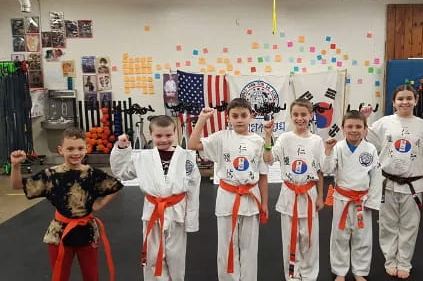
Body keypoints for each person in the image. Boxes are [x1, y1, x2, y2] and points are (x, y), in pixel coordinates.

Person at [10, 127, 123, 281]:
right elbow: (17, 185)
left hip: (87, 232)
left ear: (86, 149)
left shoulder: (92, 174)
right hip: (59, 233)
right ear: (60, 150)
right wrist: (16, 166)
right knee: (60, 276)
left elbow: (115, 186)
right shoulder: (51, 175)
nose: (75, 153)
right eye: (70, 149)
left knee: (92, 276)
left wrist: (99, 204)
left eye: (80, 148)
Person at [110, 115, 200, 281]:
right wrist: (121, 149)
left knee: (176, 257)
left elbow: (194, 188)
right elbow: (121, 172)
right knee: (152, 257)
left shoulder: (186, 157)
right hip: (152, 212)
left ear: (175, 134)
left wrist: (191, 220)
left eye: (168, 135)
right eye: (159, 136)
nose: (164, 139)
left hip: (177, 214)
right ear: (151, 135)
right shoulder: (143, 158)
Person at [188, 98, 268, 281]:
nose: (239, 119)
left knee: (249, 246)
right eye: (235, 116)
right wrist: (201, 120)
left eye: (243, 115)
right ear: (228, 118)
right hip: (227, 196)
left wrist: (264, 202)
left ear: (251, 117)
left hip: (250, 196)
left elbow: (263, 175)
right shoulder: (221, 137)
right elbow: (192, 145)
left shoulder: (258, 141)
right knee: (226, 245)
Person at [365, 84, 423, 279]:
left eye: (409, 98)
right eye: (400, 98)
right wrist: (365, 119)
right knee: (387, 224)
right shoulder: (384, 123)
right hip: (387, 181)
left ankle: (404, 261)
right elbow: (365, 139)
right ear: (393, 102)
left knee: (410, 224)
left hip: (413, 182)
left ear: (416, 100)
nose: (404, 102)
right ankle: (390, 260)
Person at [263, 98, 325, 281]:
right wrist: (268, 136)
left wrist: (321, 196)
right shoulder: (284, 138)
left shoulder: (316, 141)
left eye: (303, 114)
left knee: (309, 237)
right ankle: (292, 274)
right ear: (291, 116)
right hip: (289, 192)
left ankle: (309, 275)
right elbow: (268, 159)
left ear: (311, 116)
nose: (300, 118)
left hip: (309, 193)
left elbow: (320, 171)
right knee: (290, 238)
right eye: (296, 114)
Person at [322, 110, 382, 281]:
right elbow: (327, 170)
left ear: (365, 129)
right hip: (342, 198)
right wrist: (327, 151)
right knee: (339, 236)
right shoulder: (338, 147)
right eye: (350, 126)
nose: (354, 130)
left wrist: (372, 200)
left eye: (358, 126)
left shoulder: (370, 149)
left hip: (362, 200)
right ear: (342, 128)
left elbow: (376, 177)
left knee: (362, 237)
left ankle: (360, 271)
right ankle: (340, 271)